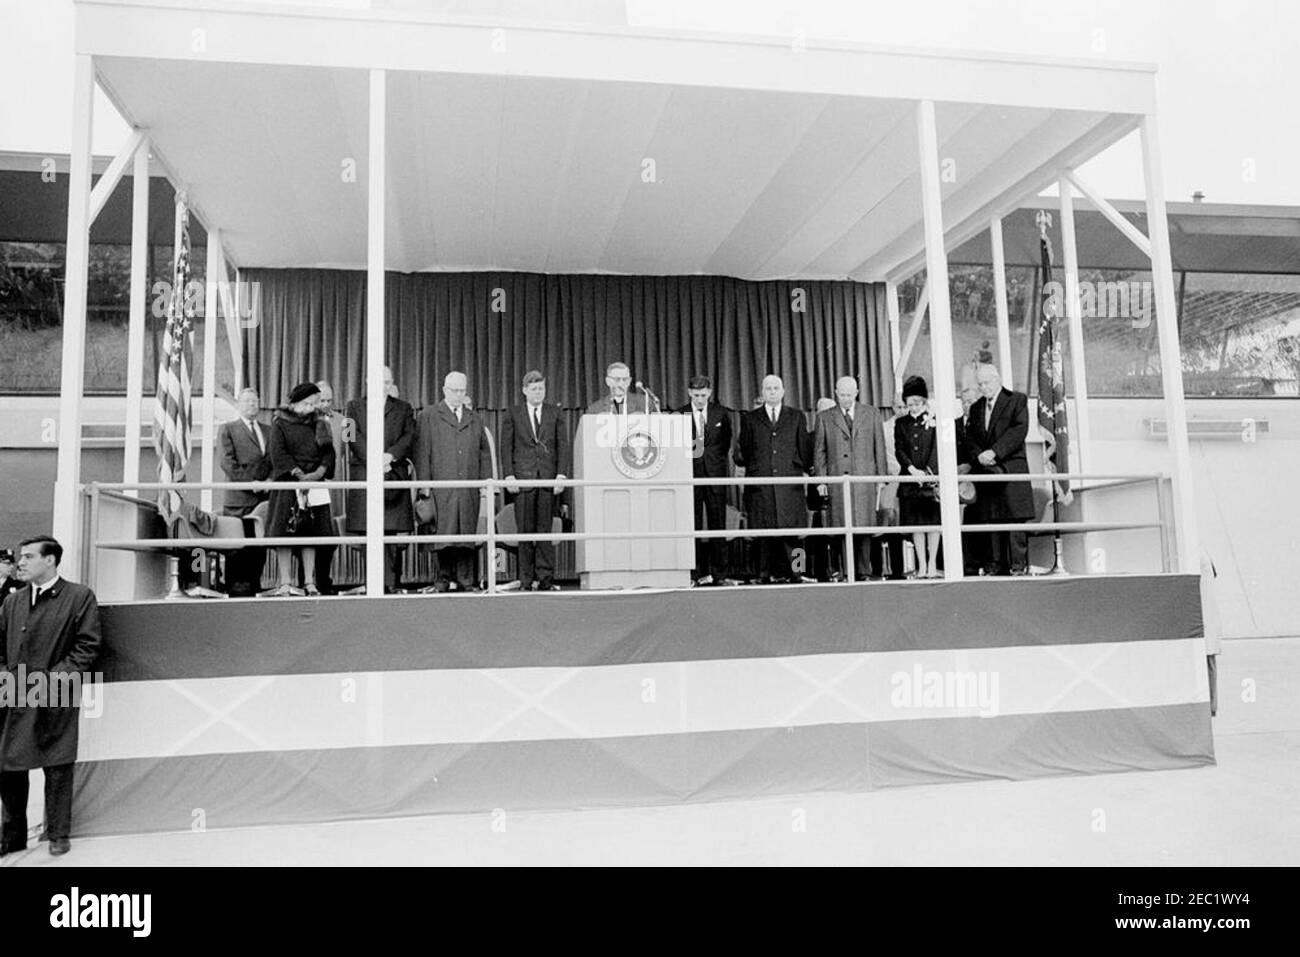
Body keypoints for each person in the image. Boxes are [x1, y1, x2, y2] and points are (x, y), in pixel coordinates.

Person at [0, 536, 102, 857]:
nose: (21, 562)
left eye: (29, 557)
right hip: (14, 690)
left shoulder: (79, 597)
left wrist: (54, 679)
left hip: (56, 689)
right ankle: (13, 835)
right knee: (9, 764)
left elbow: (88, 646)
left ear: (50, 560)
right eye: (21, 557)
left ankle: (58, 833)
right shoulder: (12, 602)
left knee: (57, 762)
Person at [414, 371, 494, 592]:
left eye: (462, 390)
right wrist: (424, 484)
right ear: (444, 390)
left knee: (466, 532)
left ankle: (466, 580)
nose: (459, 395)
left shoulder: (474, 417)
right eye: (454, 390)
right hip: (441, 485)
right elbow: (422, 453)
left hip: (468, 485)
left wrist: (485, 484)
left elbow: (483, 453)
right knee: (443, 533)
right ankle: (442, 579)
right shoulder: (429, 415)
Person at [344, 366, 417, 594]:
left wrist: (390, 456)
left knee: (392, 532)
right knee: (368, 532)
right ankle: (374, 584)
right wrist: (375, 460)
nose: (383, 386)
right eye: (379, 381)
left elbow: (410, 436)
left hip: (393, 472)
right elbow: (350, 438)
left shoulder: (404, 408)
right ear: (367, 382)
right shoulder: (352, 407)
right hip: (364, 473)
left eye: (387, 381)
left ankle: (393, 583)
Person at [734, 374, 809, 584]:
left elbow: (803, 449)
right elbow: (745, 452)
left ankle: (798, 571)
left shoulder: (796, 416)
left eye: (776, 388)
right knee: (763, 533)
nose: (773, 392)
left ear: (783, 391)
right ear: (762, 392)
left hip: (789, 484)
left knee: (795, 534)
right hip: (761, 485)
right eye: (768, 388)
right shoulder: (749, 419)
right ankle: (763, 574)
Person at [813, 376, 889, 582]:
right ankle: (845, 571)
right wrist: (820, 480)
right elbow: (819, 451)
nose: (846, 398)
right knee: (841, 525)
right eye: (842, 394)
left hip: (864, 480)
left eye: (850, 394)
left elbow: (879, 447)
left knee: (864, 527)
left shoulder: (871, 413)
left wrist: (882, 477)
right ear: (836, 393)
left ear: (857, 392)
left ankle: (864, 571)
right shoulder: (824, 417)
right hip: (837, 480)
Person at [501, 370, 571, 592]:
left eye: (541, 388)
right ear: (524, 391)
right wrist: (509, 474)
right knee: (525, 532)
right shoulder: (513, 413)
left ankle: (546, 579)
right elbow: (506, 447)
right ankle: (525, 580)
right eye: (534, 388)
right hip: (523, 480)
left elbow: (563, 445)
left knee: (545, 531)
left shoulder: (555, 413)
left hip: (547, 480)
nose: (538, 392)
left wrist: (561, 474)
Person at [265, 382, 336, 597]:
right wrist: (297, 475)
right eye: (307, 403)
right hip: (289, 484)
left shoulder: (321, 422)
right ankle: (285, 581)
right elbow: (277, 453)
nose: (311, 408)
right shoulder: (280, 423)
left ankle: (309, 581)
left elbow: (328, 453)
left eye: (314, 403)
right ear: (295, 403)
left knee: (311, 534)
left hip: (314, 484)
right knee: (285, 535)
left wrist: (316, 475)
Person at [965, 363, 1035, 575]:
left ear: (997, 380)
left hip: (1011, 468)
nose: (983, 388)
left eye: (986, 383)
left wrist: (995, 452)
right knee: (991, 520)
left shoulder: (1017, 400)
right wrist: (979, 455)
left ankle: (1018, 566)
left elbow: (1018, 431)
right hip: (988, 472)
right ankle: (994, 565)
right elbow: (971, 437)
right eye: (980, 384)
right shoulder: (976, 408)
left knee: (1014, 520)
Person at [673, 374, 733, 586]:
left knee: (718, 524)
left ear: (709, 392)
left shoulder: (721, 413)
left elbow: (725, 445)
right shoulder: (679, 414)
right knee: (692, 525)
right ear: (690, 392)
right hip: (689, 477)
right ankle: (695, 573)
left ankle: (720, 575)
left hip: (715, 476)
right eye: (696, 395)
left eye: (703, 395)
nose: (700, 399)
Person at [217, 388, 272, 597]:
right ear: (238, 404)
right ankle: (236, 588)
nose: (252, 405)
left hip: (264, 499)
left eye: (255, 401)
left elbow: (275, 458)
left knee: (258, 547)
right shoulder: (228, 429)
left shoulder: (268, 430)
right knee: (237, 546)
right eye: (248, 401)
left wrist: (270, 481)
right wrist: (252, 483)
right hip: (239, 499)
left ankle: (255, 585)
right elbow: (227, 464)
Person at [895, 376, 943, 578]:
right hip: (910, 480)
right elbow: (900, 449)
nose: (913, 407)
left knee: (933, 524)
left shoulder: (935, 420)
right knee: (916, 525)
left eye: (917, 403)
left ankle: (933, 564)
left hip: (931, 481)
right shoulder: (901, 423)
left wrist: (928, 472)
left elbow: (937, 448)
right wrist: (911, 468)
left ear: (924, 402)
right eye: (909, 404)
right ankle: (921, 565)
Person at [313, 381, 349, 595]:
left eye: (329, 400)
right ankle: (307, 579)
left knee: (332, 534)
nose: (326, 404)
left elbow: (351, 451)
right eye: (322, 400)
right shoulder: (307, 421)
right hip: (314, 484)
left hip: (335, 487)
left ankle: (325, 578)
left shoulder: (346, 422)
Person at [871, 400, 906, 580]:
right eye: (898, 406)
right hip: (890, 480)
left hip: (909, 481)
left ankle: (899, 570)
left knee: (902, 528)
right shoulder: (885, 428)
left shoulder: (913, 425)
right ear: (893, 407)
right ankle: (878, 570)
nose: (902, 410)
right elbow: (882, 453)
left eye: (904, 406)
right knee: (883, 523)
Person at [586, 361, 652, 415]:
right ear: (608, 381)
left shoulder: (645, 403)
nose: (621, 384)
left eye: (625, 379)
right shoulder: (595, 409)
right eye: (617, 379)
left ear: (629, 381)